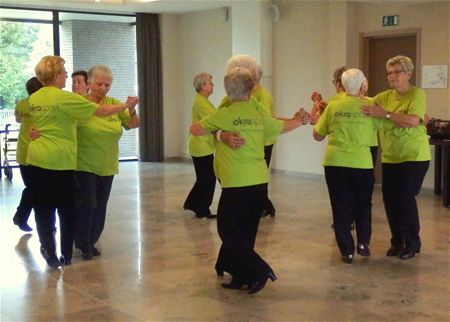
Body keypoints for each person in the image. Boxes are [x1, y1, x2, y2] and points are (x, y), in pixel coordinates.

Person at [190, 67, 310, 294]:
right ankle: (242, 276)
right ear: (250, 89)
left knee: (227, 230)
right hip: (258, 180)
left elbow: (195, 129)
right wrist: (300, 120)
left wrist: (218, 133)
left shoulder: (224, 113)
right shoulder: (257, 114)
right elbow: (281, 126)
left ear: (228, 90)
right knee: (246, 231)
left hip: (236, 182)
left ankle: (259, 270)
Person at [27, 55, 136, 268]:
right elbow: (100, 111)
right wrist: (126, 104)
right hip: (64, 161)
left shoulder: (35, 98)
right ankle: (68, 253)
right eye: (64, 72)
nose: (68, 76)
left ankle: (51, 249)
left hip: (39, 159)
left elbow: (36, 124)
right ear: (56, 74)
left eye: (107, 84)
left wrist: (34, 132)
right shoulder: (66, 99)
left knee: (45, 208)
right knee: (68, 207)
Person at [312, 68, 394, 264]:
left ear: (341, 84)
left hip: (335, 162)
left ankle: (347, 250)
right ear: (363, 85)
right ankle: (363, 243)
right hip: (361, 163)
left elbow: (317, 134)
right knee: (363, 204)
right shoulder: (370, 106)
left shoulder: (333, 106)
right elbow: (387, 125)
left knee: (340, 205)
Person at [361, 55, 430, 260]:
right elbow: (363, 106)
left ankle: (412, 243)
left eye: (397, 72)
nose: (392, 76)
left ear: (408, 73)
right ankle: (397, 241)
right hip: (391, 157)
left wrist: (387, 115)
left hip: (414, 156)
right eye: (389, 73)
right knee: (390, 200)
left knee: (405, 198)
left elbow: (412, 120)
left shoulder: (417, 94)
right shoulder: (383, 97)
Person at [75, 64, 140, 260]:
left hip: (108, 163)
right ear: (89, 83)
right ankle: (82, 242)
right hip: (84, 163)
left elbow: (132, 124)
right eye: (99, 84)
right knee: (88, 203)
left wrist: (133, 109)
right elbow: (100, 111)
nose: (104, 88)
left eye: (107, 84)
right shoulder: (81, 103)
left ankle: (91, 241)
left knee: (101, 205)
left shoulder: (114, 103)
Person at [217, 54, 277, 218]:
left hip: (258, 144)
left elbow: (263, 122)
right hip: (236, 147)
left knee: (254, 181)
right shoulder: (232, 96)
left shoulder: (261, 95)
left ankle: (262, 207)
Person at [183, 73, 217, 219]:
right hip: (200, 145)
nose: (213, 85)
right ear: (203, 86)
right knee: (207, 178)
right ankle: (200, 207)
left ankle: (195, 204)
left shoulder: (203, 100)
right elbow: (215, 119)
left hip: (203, 144)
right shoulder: (201, 102)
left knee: (205, 178)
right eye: (210, 82)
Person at [12, 77, 43, 232]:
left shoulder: (21, 104)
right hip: (37, 152)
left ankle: (23, 217)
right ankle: (21, 216)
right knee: (35, 188)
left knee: (32, 187)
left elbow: (18, 120)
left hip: (23, 151)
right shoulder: (43, 106)